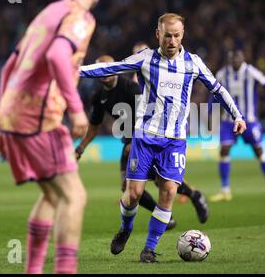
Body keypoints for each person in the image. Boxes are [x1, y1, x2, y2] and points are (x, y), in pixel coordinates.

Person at [80, 13, 246, 263]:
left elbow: (218, 89)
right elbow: (109, 68)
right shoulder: (145, 59)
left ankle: (148, 248)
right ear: (158, 34)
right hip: (145, 137)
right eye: (167, 35)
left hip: (174, 141)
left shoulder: (193, 63)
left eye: (176, 35)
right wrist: (74, 71)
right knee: (133, 193)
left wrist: (237, 116)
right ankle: (126, 229)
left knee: (168, 193)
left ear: (183, 35)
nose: (172, 40)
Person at [0, 0, 105, 274]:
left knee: (52, 194)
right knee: (74, 196)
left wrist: (2, 121)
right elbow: (58, 55)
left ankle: (33, 270)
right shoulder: (80, 17)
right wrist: (77, 108)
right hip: (39, 116)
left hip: (13, 113)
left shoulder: (47, 13)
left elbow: (9, 66)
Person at [75, 55, 209, 230]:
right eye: (101, 69)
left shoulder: (130, 88)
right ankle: (166, 215)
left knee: (161, 180)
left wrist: (134, 140)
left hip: (149, 138)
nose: (105, 73)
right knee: (128, 187)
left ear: (114, 69)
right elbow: (94, 126)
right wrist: (80, 148)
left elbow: (147, 113)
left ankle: (194, 196)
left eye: (107, 68)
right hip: (131, 142)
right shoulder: (99, 96)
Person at [209, 49, 265, 203]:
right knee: (224, 150)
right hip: (228, 121)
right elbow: (213, 94)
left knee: (259, 150)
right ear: (230, 60)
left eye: (239, 57)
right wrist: (209, 112)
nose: (236, 60)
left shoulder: (251, 72)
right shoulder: (222, 74)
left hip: (249, 121)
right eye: (233, 58)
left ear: (243, 58)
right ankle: (225, 191)